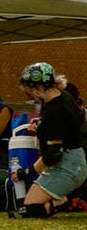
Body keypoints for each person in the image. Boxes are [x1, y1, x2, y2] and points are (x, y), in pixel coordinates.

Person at [19, 62, 87, 216]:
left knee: (27, 210)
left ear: (38, 87)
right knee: (26, 206)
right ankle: (63, 200)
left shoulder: (55, 108)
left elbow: (53, 154)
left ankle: (65, 201)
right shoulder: (62, 97)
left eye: (29, 91)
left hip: (67, 167)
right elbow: (68, 127)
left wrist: (26, 172)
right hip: (74, 162)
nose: (29, 95)